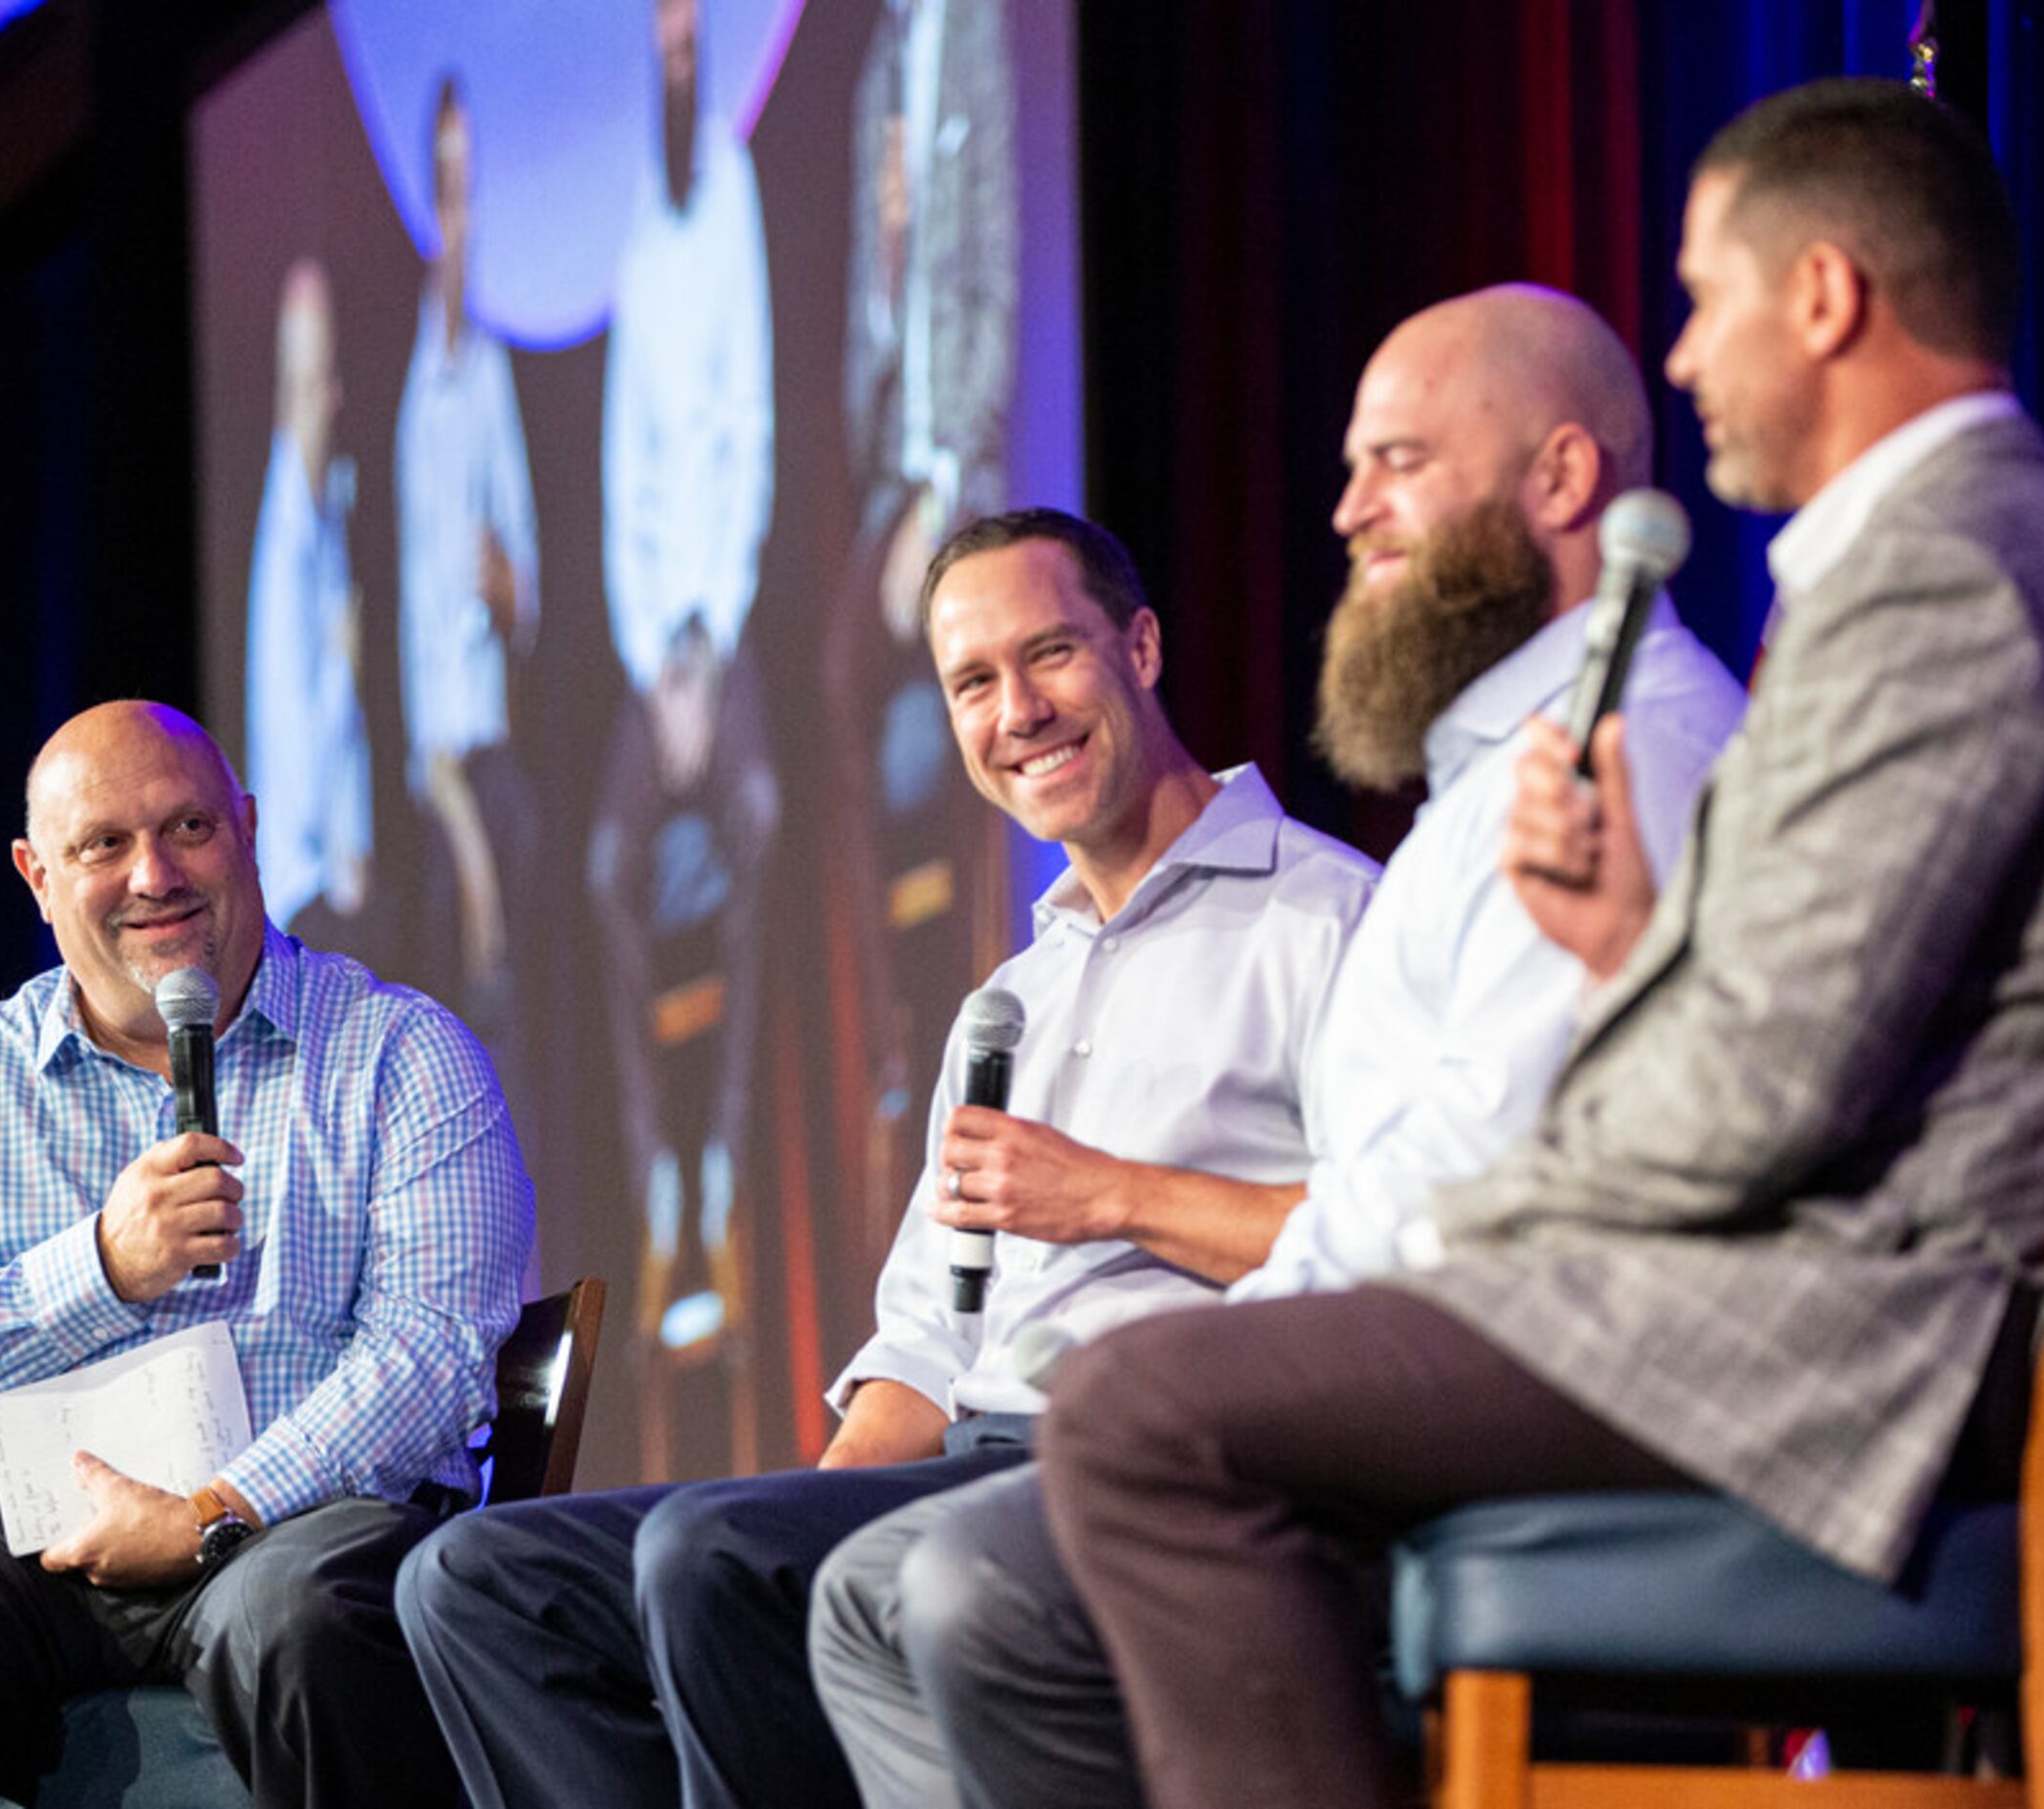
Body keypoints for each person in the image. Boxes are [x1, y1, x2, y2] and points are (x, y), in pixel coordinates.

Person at [1033, 77, 2044, 1809]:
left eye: (1700, 298)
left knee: (1142, 1414)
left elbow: (1763, 1092)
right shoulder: (1942, 564)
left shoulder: (1949, 576)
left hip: (1841, 1340)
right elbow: (1812, 1021)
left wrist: (1480, 1226)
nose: (1678, 360)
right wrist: (1634, 941)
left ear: (1820, 295)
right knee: (1153, 1406)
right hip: (1813, 1295)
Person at [805, 285, 1745, 1809]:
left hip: (1530, 1389)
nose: (1350, 508)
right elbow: (926, 1331)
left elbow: (1488, 1194)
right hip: (1330, 1367)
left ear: (1564, 481)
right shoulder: (1480, 789)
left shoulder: (1598, 768)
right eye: (970, 682)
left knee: (1028, 1505)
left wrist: (1162, 1265)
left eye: (1398, 462)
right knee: (788, 1574)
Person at [394, 508, 1379, 1809]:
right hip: (965, 1456)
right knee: (478, 1579)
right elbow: (926, 1344)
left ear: (1140, 647)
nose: (1016, 709)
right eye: (973, 681)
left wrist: (1112, 1198)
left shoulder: (1327, 916)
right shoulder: (1008, 999)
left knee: (704, 1555)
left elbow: (1401, 1233)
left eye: (1051, 656)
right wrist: (799, 1527)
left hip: (1150, 1465)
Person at [0, 700, 533, 1806]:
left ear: (249, 829)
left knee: (305, 1613)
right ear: (37, 876)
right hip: (17, 1546)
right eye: (103, 845)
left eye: (188, 829)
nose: (154, 876)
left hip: (286, 1527)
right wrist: (99, 1270)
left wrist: (209, 1509)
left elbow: (431, 1355)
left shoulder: (399, 1055)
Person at [592, 0, 781, 1346]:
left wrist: (710, 636)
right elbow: (625, 461)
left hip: (727, 615)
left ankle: (723, 1150)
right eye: (652, 50)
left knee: (759, 820)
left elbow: (744, 417)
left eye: (682, 48)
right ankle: (658, 1165)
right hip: (647, 643)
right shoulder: (632, 232)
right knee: (611, 868)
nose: (671, 66)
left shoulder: (734, 191)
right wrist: (650, 655)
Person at [823, 0, 1023, 1254]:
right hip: (889, 452)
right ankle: (899, 1033)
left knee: (961, 708)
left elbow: (993, 267)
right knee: (839, 692)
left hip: (967, 462)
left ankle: (991, 980)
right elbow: (872, 282)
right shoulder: (882, 63)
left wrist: (949, 478)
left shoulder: (983, 34)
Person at [396, 72, 545, 1138]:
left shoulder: (488, 370)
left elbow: (522, 585)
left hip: (493, 758)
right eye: (443, 183)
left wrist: (508, 592)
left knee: (516, 1029)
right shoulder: (404, 389)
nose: (460, 209)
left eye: (469, 185)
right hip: (437, 784)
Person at [246, 257, 374, 946]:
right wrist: (343, 666)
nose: (326, 401)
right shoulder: (286, 550)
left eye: (326, 379)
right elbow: (297, 747)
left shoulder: (328, 522)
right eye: (306, 383)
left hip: (340, 880)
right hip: (306, 895)